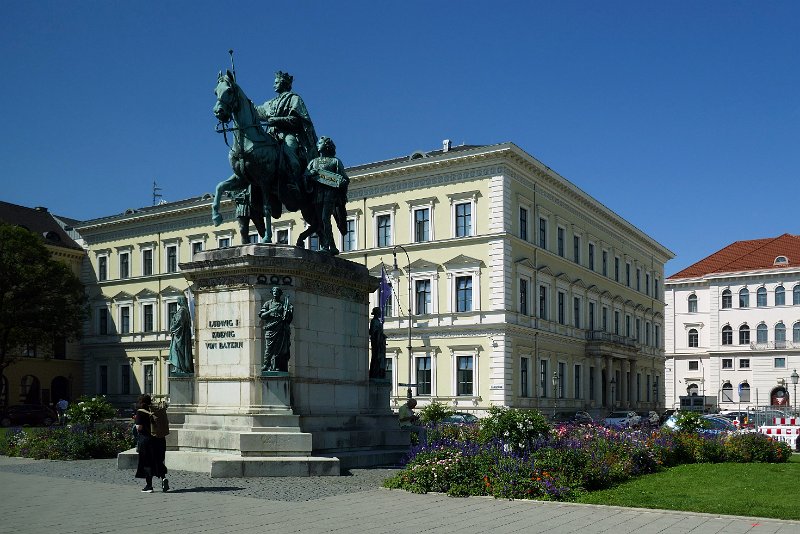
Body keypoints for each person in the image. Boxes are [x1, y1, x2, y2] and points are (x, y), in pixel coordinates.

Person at [256, 71, 318, 179]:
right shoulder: (270, 103)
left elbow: (297, 120)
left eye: (276, 82)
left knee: (291, 155)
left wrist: (277, 120)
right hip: (271, 137)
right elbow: (255, 111)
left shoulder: (294, 99)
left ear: (284, 83)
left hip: (287, 135)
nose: (273, 85)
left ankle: (294, 181)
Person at [303, 136, 349, 255]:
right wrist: (309, 175)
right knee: (320, 220)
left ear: (326, 145)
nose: (318, 145)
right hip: (317, 194)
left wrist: (337, 183)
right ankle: (330, 246)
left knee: (325, 219)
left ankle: (327, 246)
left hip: (330, 195)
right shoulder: (313, 162)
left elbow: (344, 179)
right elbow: (305, 176)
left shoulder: (335, 161)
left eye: (320, 143)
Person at [134, 394, 168, 493]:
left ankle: (149, 486)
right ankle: (163, 478)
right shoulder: (156, 410)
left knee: (147, 463)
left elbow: (139, 427)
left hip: (147, 441)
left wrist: (136, 424)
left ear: (141, 402)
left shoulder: (141, 412)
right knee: (158, 461)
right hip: (160, 439)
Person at [259, 287, 293, 372]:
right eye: (274, 291)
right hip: (270, 328)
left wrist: (290, 311)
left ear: (280, 293)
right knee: (269, 348)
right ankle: (266, 365)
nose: (275, 293)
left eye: (277, 291)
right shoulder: (268, 303)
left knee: (280, 349)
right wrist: (271, 311)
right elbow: (262, 315)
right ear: (272, 293)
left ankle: (276, 366)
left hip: (280, 329)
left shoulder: (283, 305)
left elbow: (288, 318)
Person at [167, 296, 194, 375]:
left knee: (177, 350)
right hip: (179, 335)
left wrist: (173, 328)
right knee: (176, 350)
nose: (177, 301)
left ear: (181, 301)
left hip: (180, 336)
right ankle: (178, 367)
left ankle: (180, 368)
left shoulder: (182, 311)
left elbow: (179, 322)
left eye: (178, 299)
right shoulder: (183, 310)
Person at [368, 307, 386, 379]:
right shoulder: (374, 321)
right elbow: (373, 332)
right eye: (379, 312)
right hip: (377, 344)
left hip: (380, 343)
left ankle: (379, 373)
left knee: (380, 359)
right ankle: (375, 374)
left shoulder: (377, 321)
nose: (380, 313)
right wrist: (380, 335)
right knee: (376, 358)